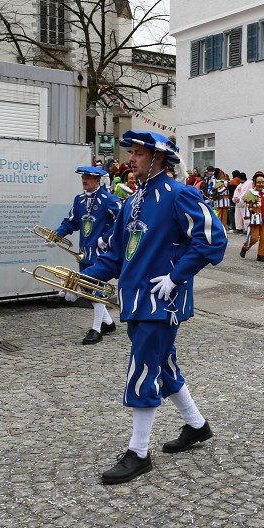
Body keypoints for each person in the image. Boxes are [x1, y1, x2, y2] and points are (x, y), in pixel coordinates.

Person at [82, 131, 227, 485]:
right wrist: (84, 278)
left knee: (144, 367)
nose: (130, 159)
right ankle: (197, 425)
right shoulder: (132, 201)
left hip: (163, 301)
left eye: (138, 154)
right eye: (131, 153)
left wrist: (177, 277)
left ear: (159, 158)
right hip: (135, 299)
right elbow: (117, 255)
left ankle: (139, 452)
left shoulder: (181, 194)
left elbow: (213, 240)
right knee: (162, 364)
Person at [50, 166, 122, 344]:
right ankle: (109, 323)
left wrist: (105, 238)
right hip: (84, 253)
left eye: (89, 177)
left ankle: (96, 329)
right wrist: (56, 236)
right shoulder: (79, 200)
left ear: (98, 180)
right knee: (89, 289)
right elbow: (70, 223)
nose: (85, 180)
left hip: (101, 253)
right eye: (83, 177)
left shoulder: (108, 199)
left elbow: (121, 220)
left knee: (95, 289)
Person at [240, 172, 264, 262]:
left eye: (262, 182)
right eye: (259, 182)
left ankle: (260, 255)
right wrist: (246, 219)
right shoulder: (251, 194)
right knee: (254, 238)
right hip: (255, 218)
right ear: (255, 183)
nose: (261, 184)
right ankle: (245, 247)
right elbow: (247, 207)